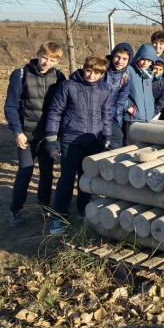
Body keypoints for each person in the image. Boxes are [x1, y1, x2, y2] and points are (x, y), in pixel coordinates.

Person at [44, 56, 111, 235]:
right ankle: (59, 217)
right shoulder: (68, 86)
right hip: (70, 140)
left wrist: (107, 136)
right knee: (66, 179)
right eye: (89, 70)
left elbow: (106, 115)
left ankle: (85, 211)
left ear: (101, 74)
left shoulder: (104, 90)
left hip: (93, 141)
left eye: (96, 73)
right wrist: (52, 138)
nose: (91, 75)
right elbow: (55, 112)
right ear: (83, 68)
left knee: (88, 179)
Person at [4, 41, 65, 227]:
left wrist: (57, 136)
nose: (47, 62)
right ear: (38, 54)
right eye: (45, 57)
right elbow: (11, 106)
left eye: (52, 60)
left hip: (48, 137)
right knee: (25, 172)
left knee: (47, 174)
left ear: (57, 62)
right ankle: (16, 209)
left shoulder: (59, 76)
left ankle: (44, 205)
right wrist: (17, 131)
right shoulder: (21, 75)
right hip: (27, 136)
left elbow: (62, 106)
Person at [122, 44, 157, 144]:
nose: (145, 63)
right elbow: (116, 92)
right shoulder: (128, 71)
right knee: (129, 150)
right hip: (132, 119)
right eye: (143, 59)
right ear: (138, 57)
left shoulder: (148, 74)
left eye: (149, 61)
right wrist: (128, 107)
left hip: (147, 118)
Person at [102, 42, 133, 149]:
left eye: (124, 59)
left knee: (116, 139)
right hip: (93, 113)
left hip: (110, 114)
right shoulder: (102, 69)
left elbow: (120, 103)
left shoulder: (126, 77)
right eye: (117, 57)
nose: (120, 61)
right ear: (112, 55)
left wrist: (118, 124)